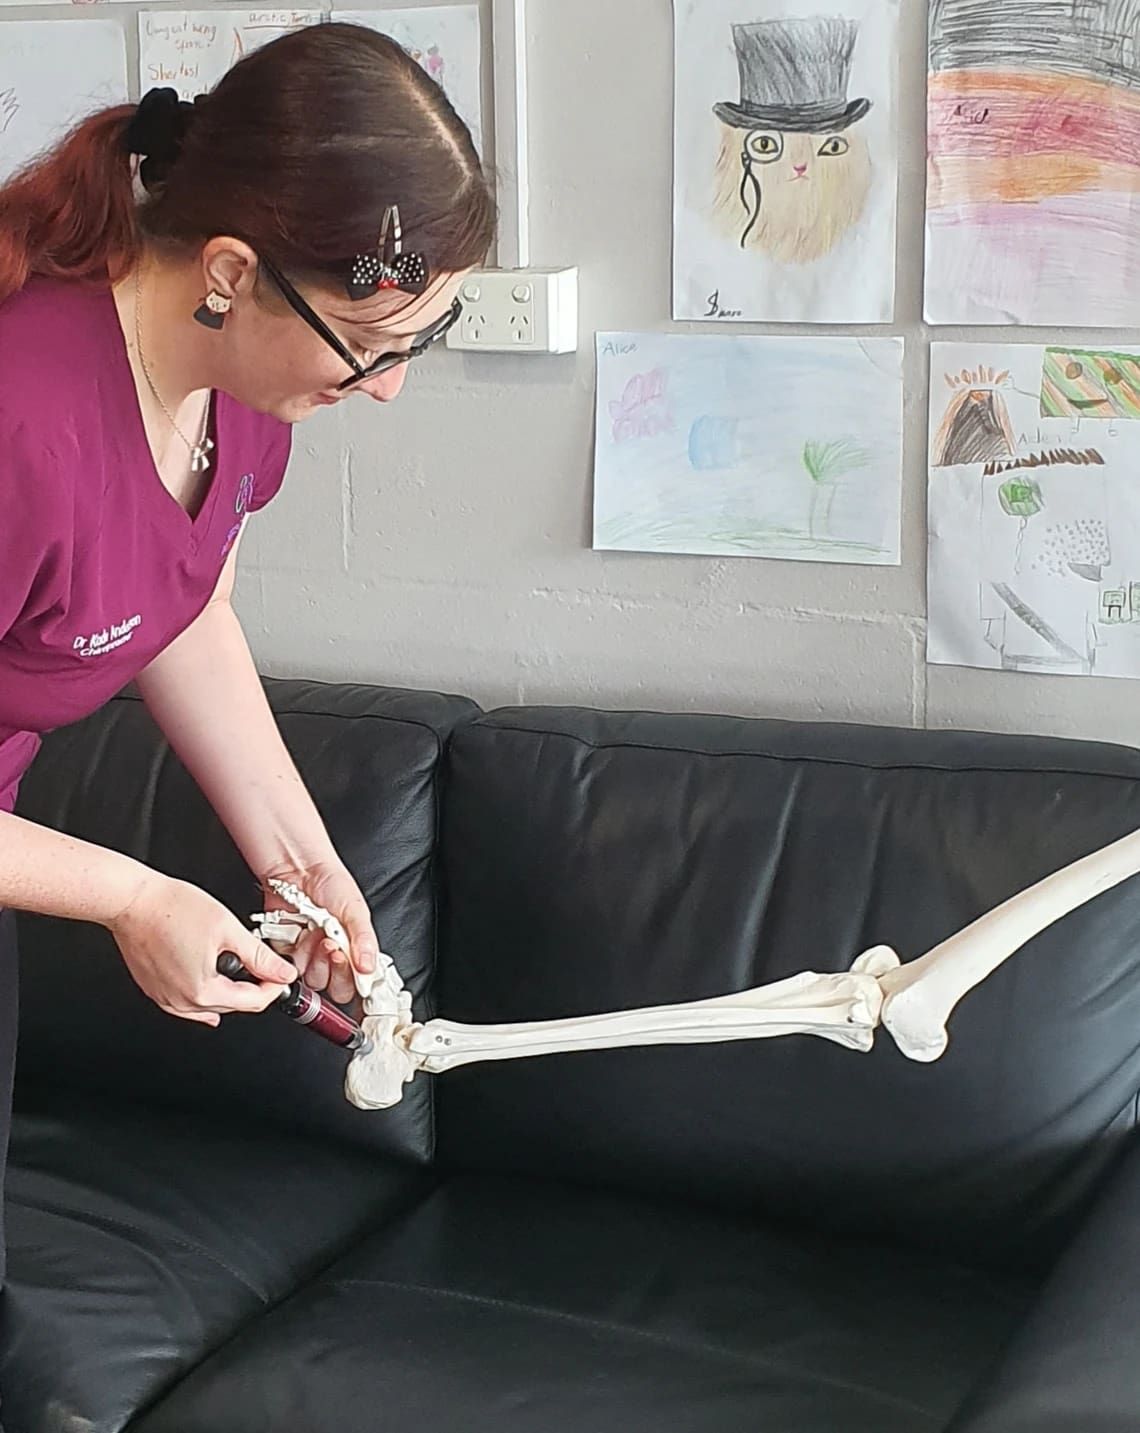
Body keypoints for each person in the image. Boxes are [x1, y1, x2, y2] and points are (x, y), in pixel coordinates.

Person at [0, 16, 496, 1333]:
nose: (387, 389)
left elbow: (177, 600)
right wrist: (132, 895)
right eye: (369, 344)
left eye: (419, 343)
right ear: (232, 270)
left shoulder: (233, 397)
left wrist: (301, 863)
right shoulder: (21, 422)